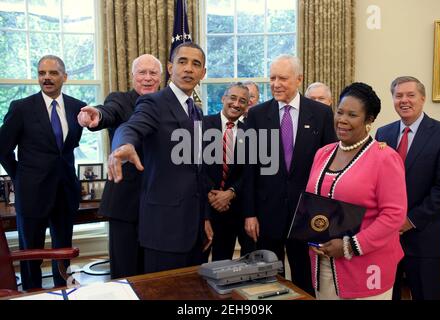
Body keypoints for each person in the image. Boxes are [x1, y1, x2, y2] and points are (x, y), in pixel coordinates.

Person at [107, 42, 213, 274]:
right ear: (170, 67)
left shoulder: (196, 111)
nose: (188, 69)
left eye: (196, 64)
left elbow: (197, 171)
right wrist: (123, 145)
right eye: (182, 62)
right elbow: (132, 126)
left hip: (193, 229)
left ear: (203, 73)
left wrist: (204, 218)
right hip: (163, 230)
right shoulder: (153, 102)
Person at [244, 54, 336, 295]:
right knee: (269, 281)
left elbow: (329, 169)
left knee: (305, 278)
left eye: (282, 78)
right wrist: (250, 213)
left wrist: (323, 214)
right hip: (267, 213)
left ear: (299, 79)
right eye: (272, 78)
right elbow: (249, 170)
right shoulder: (256, 115)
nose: (276, 84)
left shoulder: (321, 114)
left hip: (305, 215)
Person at [306, 82, 407, 299]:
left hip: (366, 267)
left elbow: (394, 216)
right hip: (322, 264)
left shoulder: (385, 158)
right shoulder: (323, 153)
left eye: (352, 115)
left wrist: (349, 245)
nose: (342, 120)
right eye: (340, 112)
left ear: (368, 120)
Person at [0, 55, 85, 290]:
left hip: (64, 192)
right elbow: (2, 148)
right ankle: (32, 294)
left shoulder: (77, 107)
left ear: (64, 77)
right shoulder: (22, 108)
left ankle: (63, 291)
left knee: (63, 252)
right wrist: (19, 175)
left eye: (53, 73)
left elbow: (69, 148)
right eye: (41, 73)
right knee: (30, 255)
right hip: (31, 193)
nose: (46, 77)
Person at [77, 54, 162, 279]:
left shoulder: (167, 104)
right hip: (126, 203)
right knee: (126, 274)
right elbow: (108, 112)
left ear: (161, 77)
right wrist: (98, 115)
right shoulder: (120, 100)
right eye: (142, 73)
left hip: (160, 205)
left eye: (153, 73)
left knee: (155, 275)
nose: (147, 78)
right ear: (133, 76)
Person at [375, 76, 440, 300]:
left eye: (410, 95)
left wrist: (409, 220)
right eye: (398, 96)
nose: (404, 100)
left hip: (424, 236)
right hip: (387, 237)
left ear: (423, 98)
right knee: (389, 295)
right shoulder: (383, 134)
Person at [202, 82, 249, 262]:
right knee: (195, 265)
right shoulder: (203, 124)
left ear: (246, 106)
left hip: (231, 211)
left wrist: (230, 193)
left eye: (242, 101)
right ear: (223, 99)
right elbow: (195, 166)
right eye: (233, 98)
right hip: (204, 207)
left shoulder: (250, 132)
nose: (237, 104)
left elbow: (249, 172)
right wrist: (213, 195)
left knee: (222, 266)